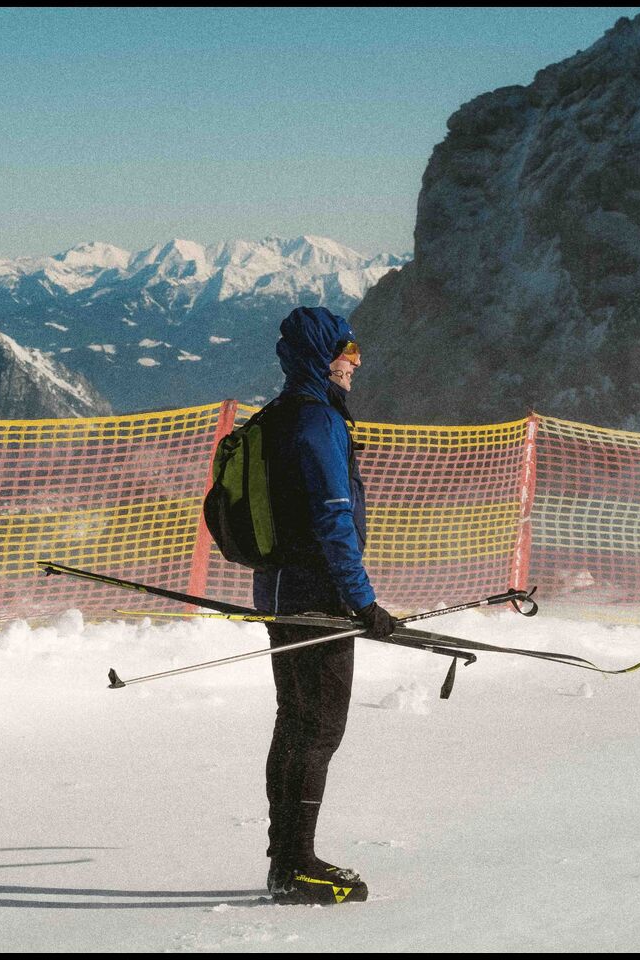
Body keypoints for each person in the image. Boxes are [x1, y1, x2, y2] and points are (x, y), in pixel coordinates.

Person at [253, 306, 396, 905]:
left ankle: (285, 857)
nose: (356, 363)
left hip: (279, 592)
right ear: (320, 355)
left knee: (296, 721)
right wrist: (363, 603)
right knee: (318, 728)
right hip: (317, 597)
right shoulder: (317, 423)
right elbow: (334, 519)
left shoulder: (278, 415)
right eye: (348, 350)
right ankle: (297, 865)